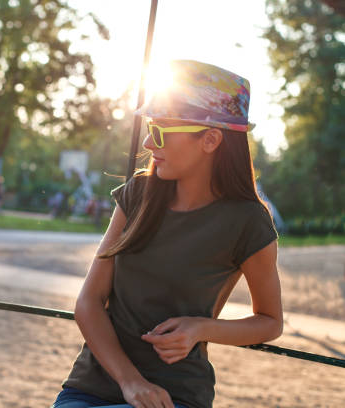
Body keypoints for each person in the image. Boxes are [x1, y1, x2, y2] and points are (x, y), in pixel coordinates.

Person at [52, 60, 282, 408]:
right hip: (89, 388)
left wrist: (200, 328)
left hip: (174, 397)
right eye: (149, 127)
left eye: (160, 130)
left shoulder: (248, 221)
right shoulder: (137, 195)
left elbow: (269, 321)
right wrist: (131, 383)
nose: (147, 141)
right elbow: (88, 303)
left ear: (210, 140)